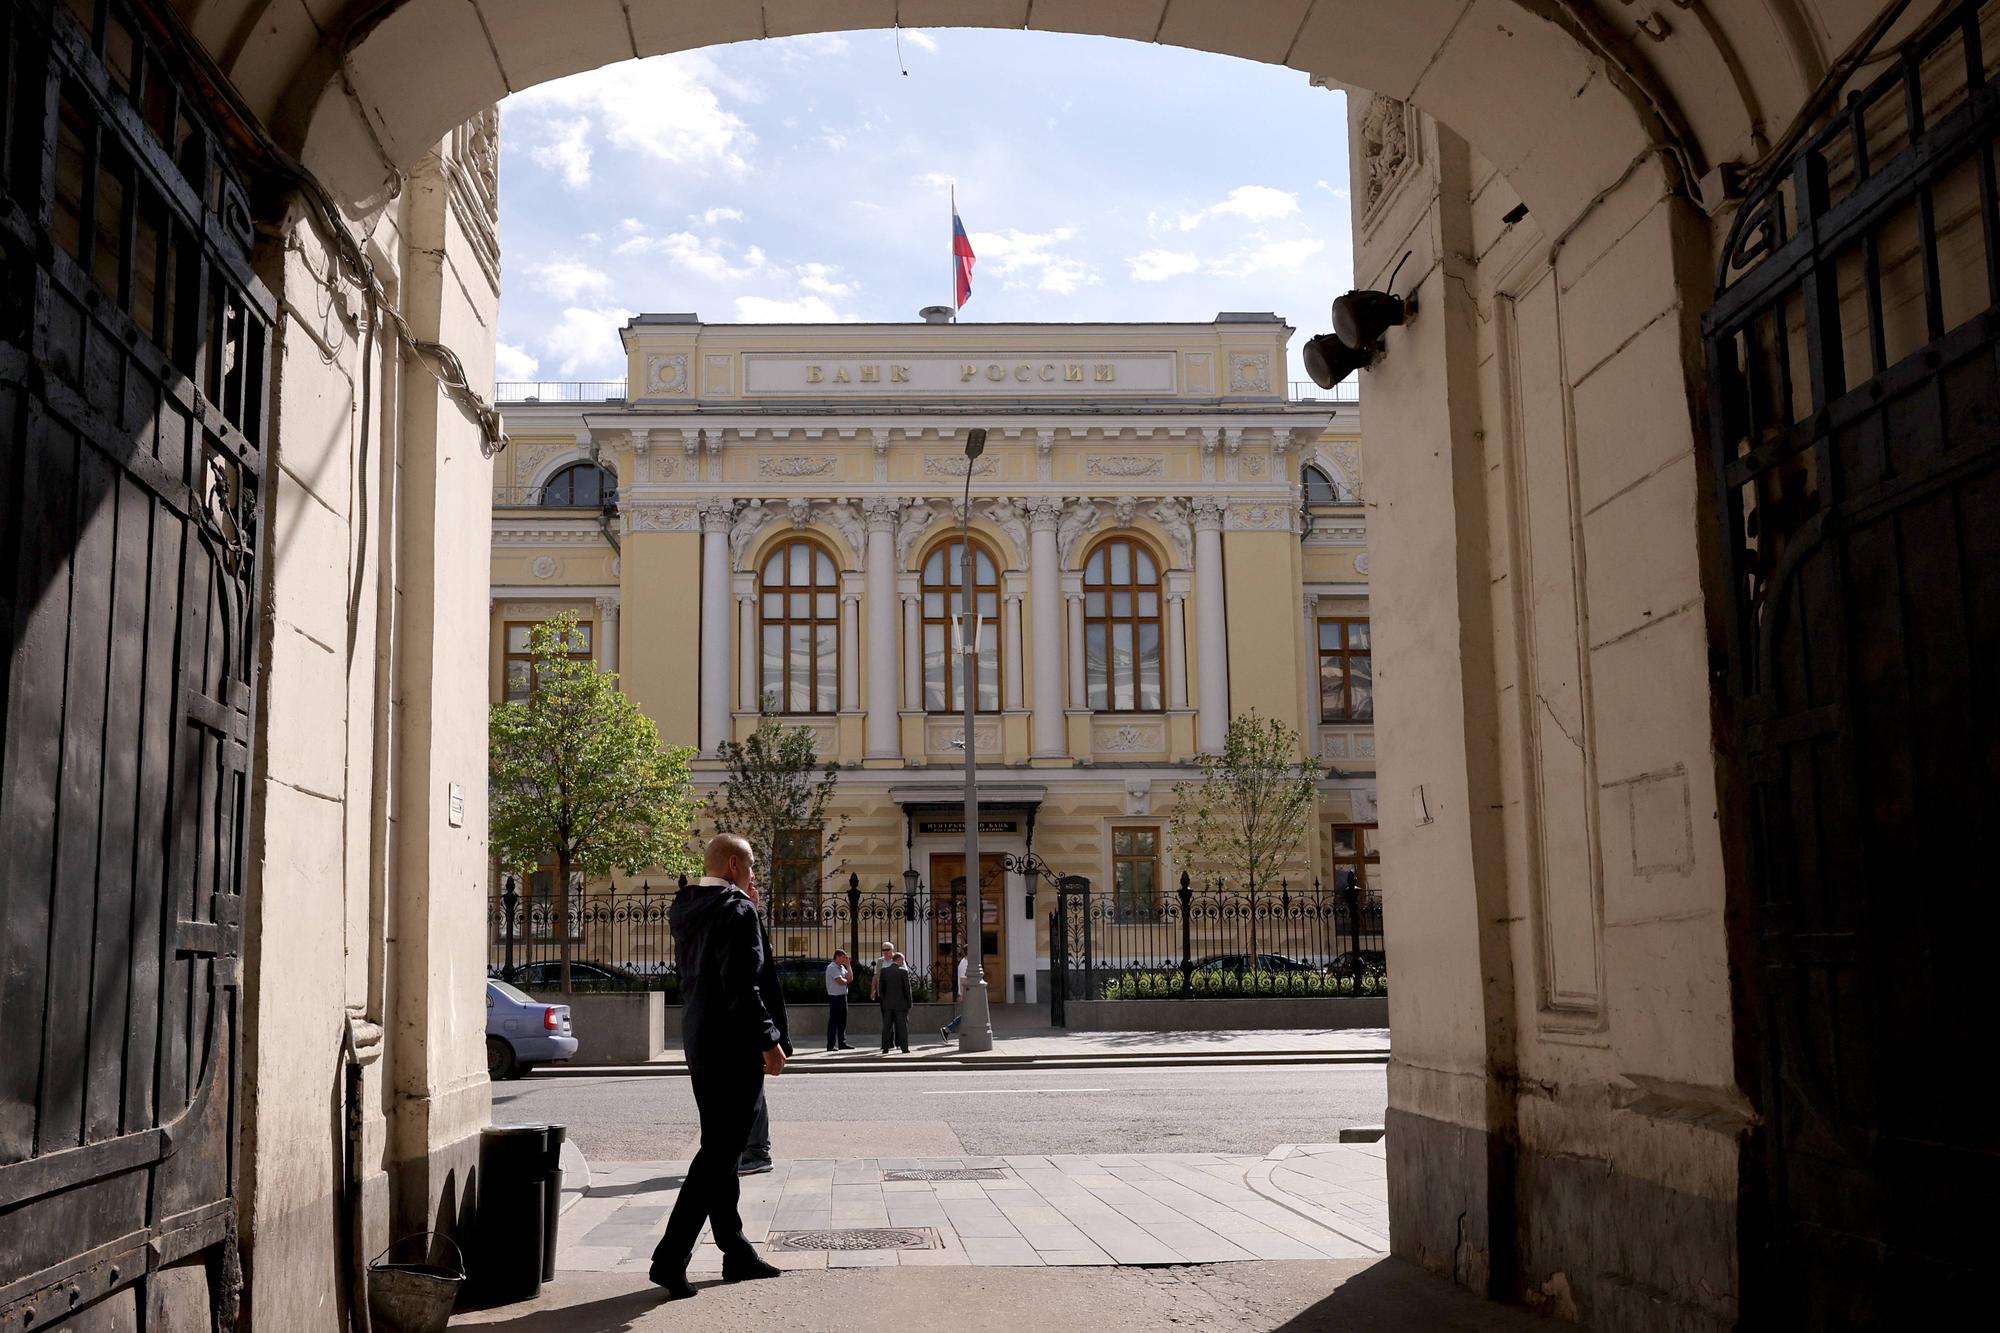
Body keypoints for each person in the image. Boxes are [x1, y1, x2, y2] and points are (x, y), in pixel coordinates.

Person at [649, 834, 786, 1299]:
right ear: (732, 864)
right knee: (718, 1155)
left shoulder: (687, 907)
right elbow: (742, 986)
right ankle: (671, 1257)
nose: (754, 877)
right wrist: (769, 1042)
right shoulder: (737, 909)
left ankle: (735, 1251)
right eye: (750, 868)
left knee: (721, 1149)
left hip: (699, 1041)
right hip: (734, 1047)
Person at [736, 878, 792, 1177]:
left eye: (756, 883)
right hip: (753, 1021)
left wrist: (769, 1037)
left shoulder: (747, 915)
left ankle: (757, 1151)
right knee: (748, 1087)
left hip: (753, 1021)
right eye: (752, 881)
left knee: (751, 1086)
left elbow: (753, 981)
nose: (754, 888)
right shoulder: (746, 914)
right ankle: (750, 1150)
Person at [878, 950, 913, 1054]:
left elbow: (881, 989)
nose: (904, 961)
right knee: (902, 1027)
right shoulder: (903, 972)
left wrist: (884, 1000)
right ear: (899, 960)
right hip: (901, 1004)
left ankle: (885, 1047)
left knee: (886, 1026)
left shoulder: (884, 971)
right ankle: (904, 1048)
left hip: (888, 1004)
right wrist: (909, 1003)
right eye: (903, 959)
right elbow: (907, 989)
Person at [824, 949, 854, 1051]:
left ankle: (842, 1043)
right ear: (837, 956)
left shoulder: (841, 967)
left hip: (843, 996)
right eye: (843, 958)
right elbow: (840, 981)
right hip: (835, 997)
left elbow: (850, 978)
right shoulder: (832, 967)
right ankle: (831, 1045)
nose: (844, 960)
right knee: (834, 1022)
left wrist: (848, 966)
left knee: (843, 1021)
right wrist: (847, 980)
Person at [941, 945, 970, 1040]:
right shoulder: (965, 963)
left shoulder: (964, 962)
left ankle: (949, 1029)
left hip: (968, 992)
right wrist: (961, 994)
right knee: (969, 1014)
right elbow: (962, 979)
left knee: (969, 1013)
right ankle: (947, 1029)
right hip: (967, 993)